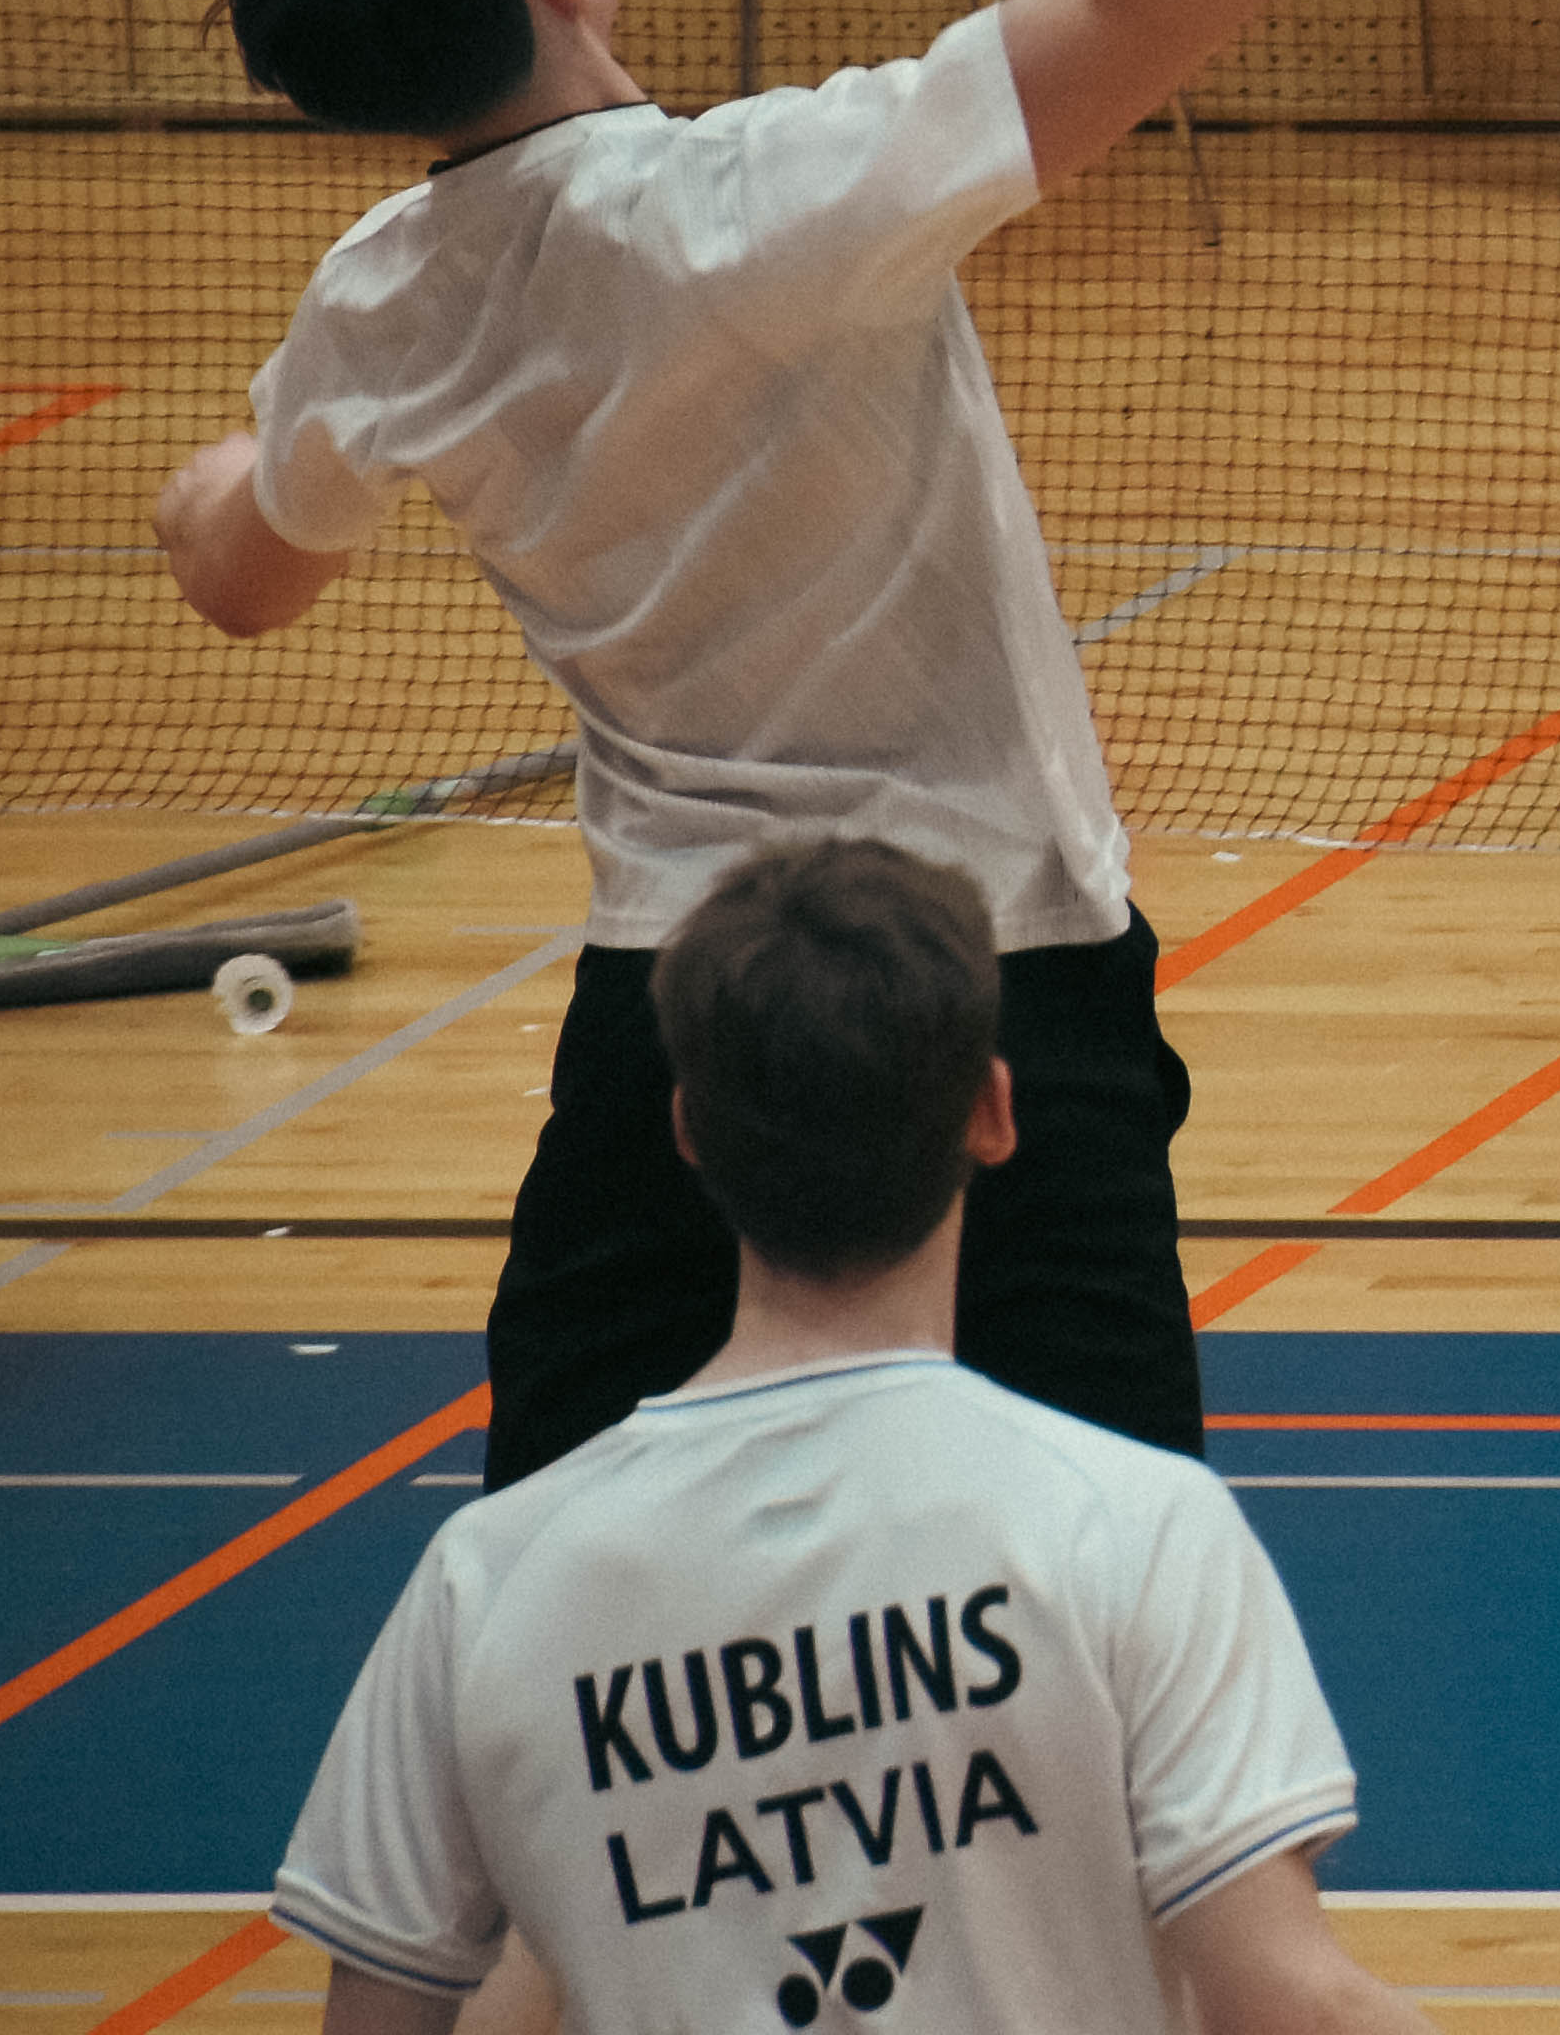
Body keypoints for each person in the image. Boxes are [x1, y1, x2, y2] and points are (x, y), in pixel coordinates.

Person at [159, 0, 1281, 1472]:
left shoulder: (378, 306)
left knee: (566, 1535)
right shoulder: (785, 196)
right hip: (998, 966)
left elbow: (245, 579)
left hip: (681, 999)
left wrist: (225, 482)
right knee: (1111, 1552)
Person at [274, 835, 1424, 2033]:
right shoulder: (1138, 1528)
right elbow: (1288, 1999)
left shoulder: (487, 1581)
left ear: (686, 1129)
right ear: (994, 1112)